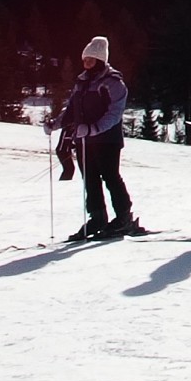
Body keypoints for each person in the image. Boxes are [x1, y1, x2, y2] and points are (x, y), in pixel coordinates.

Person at [51, 35, 144, 240]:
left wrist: (92, 129)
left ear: (100, 60)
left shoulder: (113, 83)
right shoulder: (82, 82)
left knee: (110, 176)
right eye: (84, 60)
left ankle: (123, 217)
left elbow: (114, 113)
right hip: (85, 140)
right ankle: (98, 217)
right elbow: (71, 108)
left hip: (107, 139)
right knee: (90, 179)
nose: (86, 64)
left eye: (90, 60)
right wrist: (55, 124)